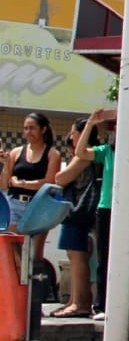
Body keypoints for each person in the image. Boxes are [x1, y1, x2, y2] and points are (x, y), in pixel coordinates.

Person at [74, 108, 129, 319]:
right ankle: (103, 306)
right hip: (106, 208)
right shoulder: (107, 151)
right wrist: (90, 124)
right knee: (105, 258)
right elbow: (80, 152)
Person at [50, 118, 100, 317]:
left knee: (78, 255)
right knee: (74, 255)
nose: (70, 136)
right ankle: (74, 299)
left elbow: (61, 178)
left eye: (74, 132)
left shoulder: (85, 155)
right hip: (78, 211)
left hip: (79, 210)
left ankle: (80, 303)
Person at [4, 113, 60, 265]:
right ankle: (17, 286)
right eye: (26, 128)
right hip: (15, 204)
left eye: (32, 128)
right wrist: (4, 163)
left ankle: (34, 285)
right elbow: (6, 182)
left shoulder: (52, 154)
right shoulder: (16, 152)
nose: (28, 132)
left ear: (43, 130)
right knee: (12, 249)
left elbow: (49, 182)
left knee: (35, 255)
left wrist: (22, 183)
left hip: (39, 206)